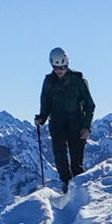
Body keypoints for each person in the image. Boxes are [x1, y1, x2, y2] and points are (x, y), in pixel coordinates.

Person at [34, 48, 95, 192]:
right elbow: (46, 104)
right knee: (60, 160)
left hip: (76, 125)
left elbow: (89, 105)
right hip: (57, 124)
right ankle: (67, 187)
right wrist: (41, 118)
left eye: (62, 67)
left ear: (67, 64)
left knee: (76, 163)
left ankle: (79, 192)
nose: (59, 70)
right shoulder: (49, 81)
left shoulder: (78, 80)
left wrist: (86, 126)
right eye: (56, 67)